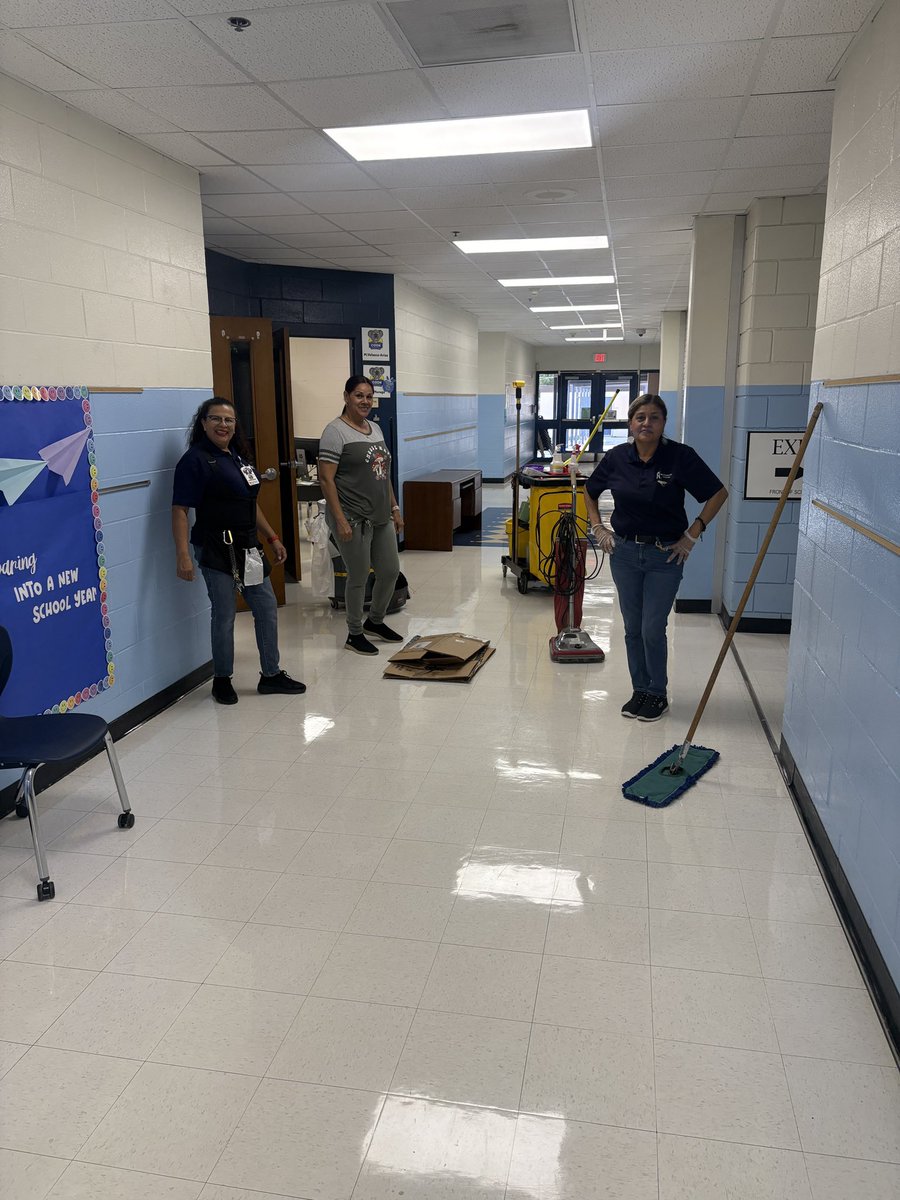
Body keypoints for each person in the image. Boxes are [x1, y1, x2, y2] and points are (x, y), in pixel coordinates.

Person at [584, 394, 728, 722]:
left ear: (663, 424)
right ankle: (640, 689)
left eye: (654, 417)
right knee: (632, 627)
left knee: (652, 626)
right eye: (640, 417)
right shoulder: (617, 458)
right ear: (630, 424)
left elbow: (718, 493)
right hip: (624, 553)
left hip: (665, 556)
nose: (646, 423)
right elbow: (590, 491)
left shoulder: (679, 457)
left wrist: (693, 534)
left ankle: (657, 693)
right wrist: (598, 527)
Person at [171, 397, 306, 705]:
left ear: (235, 426)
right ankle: (222, 679)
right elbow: (180, 510)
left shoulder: (237, 457)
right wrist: (182, 554)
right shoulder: (195, 460)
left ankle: (271, 674)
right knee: (224, 614)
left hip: (248, 547)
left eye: (229, 420)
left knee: (266, 607)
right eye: (216, 419)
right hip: (215, 548)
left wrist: (272, 537)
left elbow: (249, 503)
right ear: (203, 423)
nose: (223, 425)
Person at [318, 375, 404, 656]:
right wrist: (340, 520)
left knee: (389, 571)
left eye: (368, 396)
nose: (365, 401)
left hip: (380, 515)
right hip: (352, 517)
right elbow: (326, 479)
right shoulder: (335, 431)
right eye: (359, 395)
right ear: (346, 397)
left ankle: (375, 621)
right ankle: (354, 633)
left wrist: (394, 508)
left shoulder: (375, 428)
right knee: (357, 576)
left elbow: (383, 474)